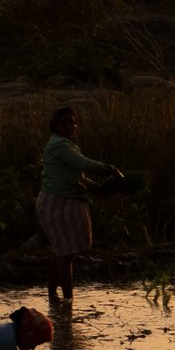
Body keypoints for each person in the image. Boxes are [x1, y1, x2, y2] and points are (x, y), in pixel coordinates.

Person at [36, 106, 121, 306]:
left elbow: (78, 176)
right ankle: (67, 301)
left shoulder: (66, 144)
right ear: (55, 125)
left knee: (61, 252)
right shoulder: (60, 146)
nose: (70, 126)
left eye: (73, 122)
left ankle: (54, 298)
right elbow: (83, 164)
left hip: (64, 200)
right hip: (57, 202)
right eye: (65, 122)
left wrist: (97, 188)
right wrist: (109, 170)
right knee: (65, 255)